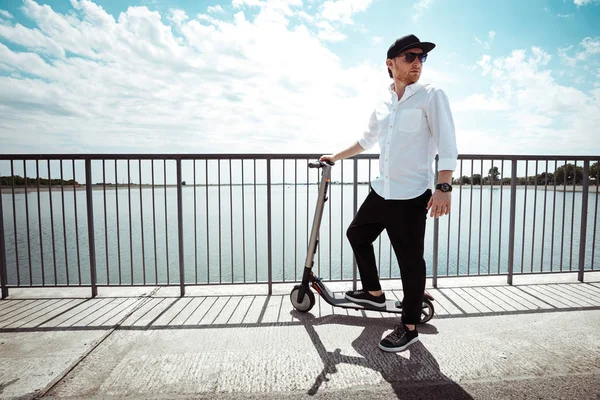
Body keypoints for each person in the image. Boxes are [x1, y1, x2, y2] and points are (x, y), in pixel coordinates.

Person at [320, 34, 458, 352]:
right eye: (409, 56)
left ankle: (409, 326)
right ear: (391, 63)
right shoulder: (384, 102)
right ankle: (373, 293)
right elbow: (367, 139)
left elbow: (448, 144)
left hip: (412, 194)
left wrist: (443, 187)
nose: (417, 63)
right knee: (357, 234)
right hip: (383, 190)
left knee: (409, 261)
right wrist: (335, 157)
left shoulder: (431, 95)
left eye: (421, 57)